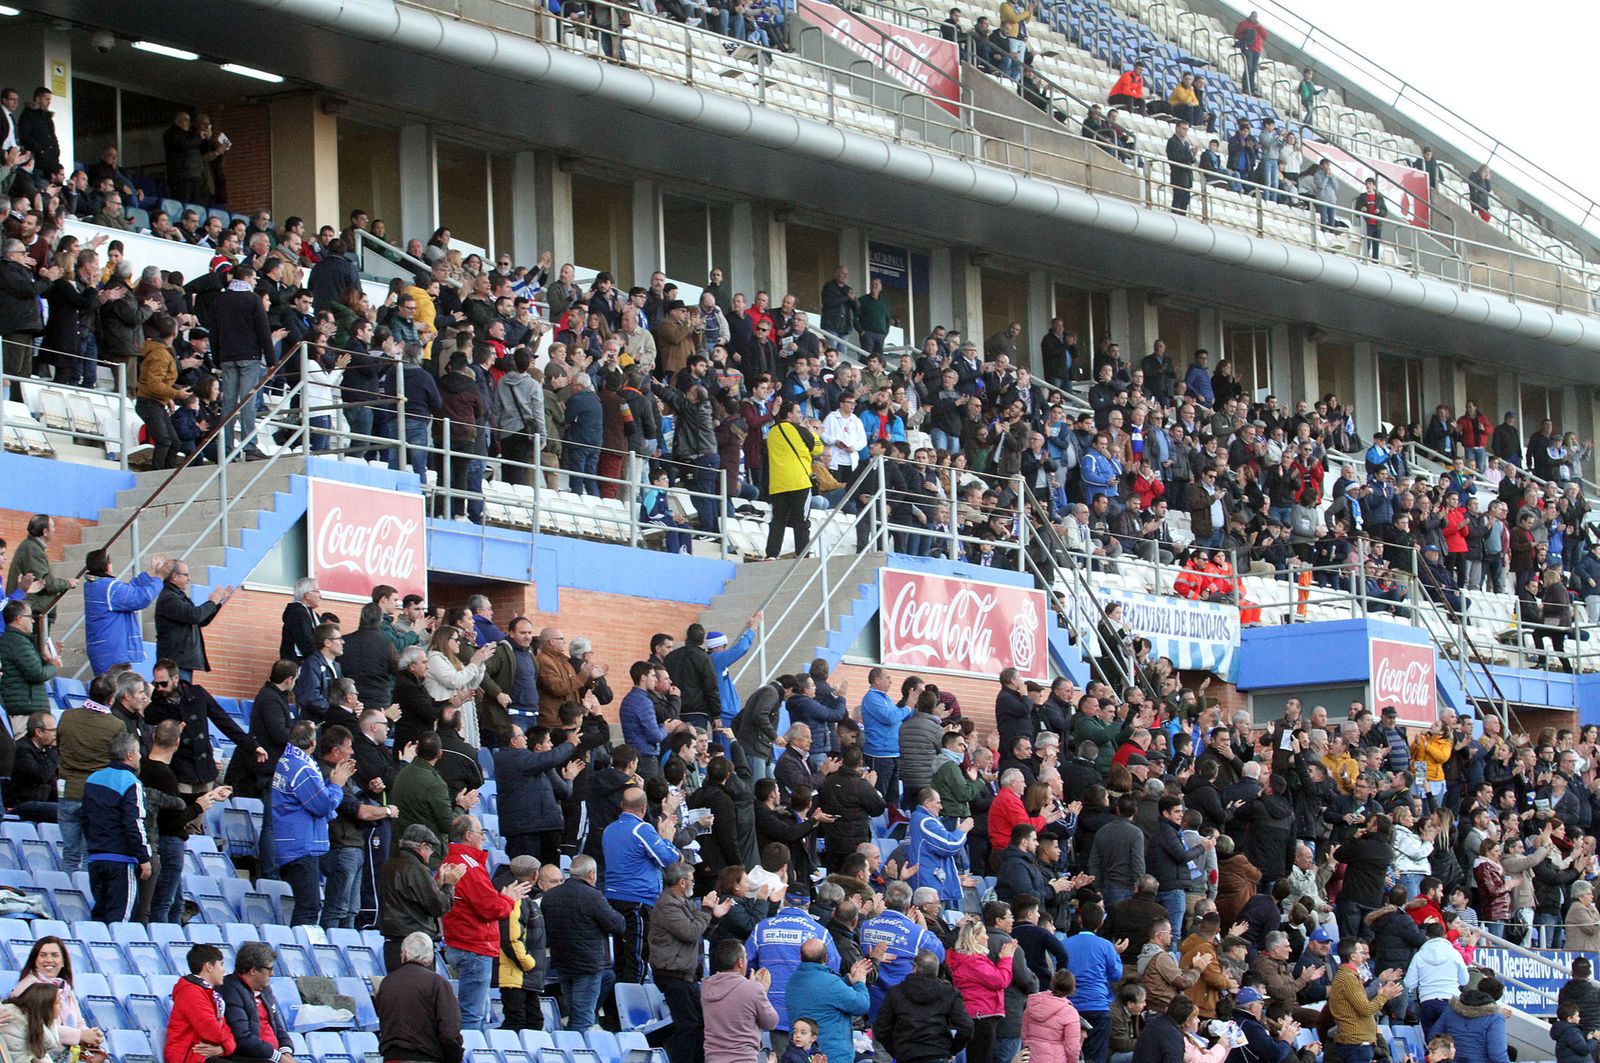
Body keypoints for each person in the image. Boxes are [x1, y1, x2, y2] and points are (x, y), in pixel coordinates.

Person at [440, 814, 528, 1033]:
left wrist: (501, 898)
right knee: (472, 1014)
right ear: (469, 835)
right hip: (473, 945)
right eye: (481, 833)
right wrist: (508, 899)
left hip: (462, 942)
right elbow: (489, 909)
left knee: (474, 1012)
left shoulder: (453, 861)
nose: (483, 838)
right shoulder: (468, 866)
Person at [273, 720, 354, 926]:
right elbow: (321, 805)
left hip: (296, 842)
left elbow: (313, 795)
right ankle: (299, 950)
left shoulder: (290, 761)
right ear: (313, 742)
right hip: (301, 845)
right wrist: (336, 786)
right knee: (309, 906)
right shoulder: (301, 767)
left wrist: (330, 782)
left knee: (308, 905)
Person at [651, 860, 730, 1063]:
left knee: (700, 1023)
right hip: (673, 974)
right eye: (692, 880)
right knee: (688, 1026)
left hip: (685, 974)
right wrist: (706, 909)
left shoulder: (682, 903)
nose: (695, 884)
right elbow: (690, 932)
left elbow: (700, 931)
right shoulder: (668, 905)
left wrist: (714, 916)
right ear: (682, 882)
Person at [603, 785, 684, 983]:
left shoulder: (609, 829)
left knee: (620, 956)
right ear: (644, 808)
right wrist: (667, 840)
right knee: (637, 956)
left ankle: (616, 1007)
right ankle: (633, 1003)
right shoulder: (642, 829)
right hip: (637, 901)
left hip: (613, 898)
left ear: (622, 805)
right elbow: (671, 860)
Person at [541, 854, 625, 1032]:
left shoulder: (550, 896)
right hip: (587, 964)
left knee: (576, 1012)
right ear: (592, 873)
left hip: (562, 962)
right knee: (583, 1017)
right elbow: (617, 925)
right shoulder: (592, 896)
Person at [82, 732, 152, 922]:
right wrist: (144, 858)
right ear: (129, 755)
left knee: (100, 915)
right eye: (138, 752)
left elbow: (85, 818)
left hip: (96, 858)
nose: (140, 756)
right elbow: (134, 823)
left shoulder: (93, 779)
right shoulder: (131, 783)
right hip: (121, 861)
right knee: (120, 920)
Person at [378, 824, 464, 973]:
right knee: (419, 990)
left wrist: (438, 884)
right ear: (423, 847)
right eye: (431, 849)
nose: (431, 855)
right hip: (414, 943)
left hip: (393, 942)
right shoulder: (415, 869)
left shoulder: (389, 865)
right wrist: (449, 885)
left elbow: (414, 898)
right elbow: (439, 906)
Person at [376, 933, 464, 1063]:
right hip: (427, 1056)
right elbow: (449, 1032)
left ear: (404, 954)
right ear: (430, 957)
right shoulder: (438, 983)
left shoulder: (386, 983)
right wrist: (455, 1057)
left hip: (392, 1056)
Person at [878, 948, 975, 1063]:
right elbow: (967, 1027)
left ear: (914, 968)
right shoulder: (949, 992)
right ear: (936, 970)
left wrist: (896, 1050)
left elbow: (881, 1027)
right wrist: (952, 1049)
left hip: (906, 1053)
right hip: (937, 1053)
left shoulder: (896, 992)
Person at [82, 550, 171, 675]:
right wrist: (159, 578)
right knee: (120, 691)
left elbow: (128, 591)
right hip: (114, 654)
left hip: (106, 652)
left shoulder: (96, 585)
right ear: (107, 565)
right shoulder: (107, 587)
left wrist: (150, 573)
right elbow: (141, 598)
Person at [9, 937, 104, 1053]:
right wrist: (80, 1035)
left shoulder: (66, 989)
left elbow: (79, 1022)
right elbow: (38, 1027)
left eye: (54, 955)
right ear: (34, 960)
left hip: (67, 1051)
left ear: (63, 961)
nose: (49, 960)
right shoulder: (28, 988)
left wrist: (91, 1036)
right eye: (43, 955)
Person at [786, 938, 872, 1063]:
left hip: (801, 1055)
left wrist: (847, 981)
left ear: (800, 957)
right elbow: (862, 1005)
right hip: (830, 1056)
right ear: (826, 958)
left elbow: (821, 995)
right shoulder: (831, 983)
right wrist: (859, 983)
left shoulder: (793, 980)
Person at [949, 917, 1017, 1063]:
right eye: (984, 933)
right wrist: (1006, 959)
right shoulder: (974, 961)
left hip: (972, 1013)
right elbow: (1000, 981)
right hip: (982, 1015)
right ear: (974, 937)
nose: (987, 937)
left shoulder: (960, 958)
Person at [703, 938, 780, 1063]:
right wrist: (761, 991)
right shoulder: (753, 989)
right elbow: (771, 1022)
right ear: (740, 962)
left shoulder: (706, 986)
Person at [154, 559, 234, 680]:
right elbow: (194, 615)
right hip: (175, 663)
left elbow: (200, 621)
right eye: (186, 575)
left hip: (181, 662)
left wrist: (218, 604)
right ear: (175, 576)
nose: (189, 579)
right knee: (177, 696)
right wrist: (212, 601)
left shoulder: (177, 596)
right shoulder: (169, 598)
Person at [216, 942, 292, 1063]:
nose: (272, 973)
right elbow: (242, 1037)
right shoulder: (230, 990)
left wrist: (287, 1053)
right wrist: (279, 1058)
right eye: (269, 969)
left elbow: (278, 1027)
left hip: (272, 1057)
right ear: (253, 970)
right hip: (246, 1057)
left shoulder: (265, 989)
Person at [765, 400, 822, 558]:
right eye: (798, 412)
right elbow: (818, 448)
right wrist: (813, 433)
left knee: (777, 521)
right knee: (801, 521)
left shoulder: (772, 432)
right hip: (799, 481)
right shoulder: (799, 430)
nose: (801, 415)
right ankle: (802, 555)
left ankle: (771, 554)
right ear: (789, 414)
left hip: (777, 484)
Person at [166, 944, 235, 1063]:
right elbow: (212, 1031)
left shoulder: (207, 993)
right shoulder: (190, 992)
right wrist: (226, 1047)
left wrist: (223, 1049)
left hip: (205, 1057)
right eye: (221, 964)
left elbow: (224, 1028)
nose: (224, 970)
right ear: (209, 967)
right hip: (189, 1058)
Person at [1432, 977, 1510, 1063]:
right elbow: (1497, 1055)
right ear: (1498, 998)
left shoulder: (1451, 1009)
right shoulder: (1494, 1017)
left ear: (1477, 988)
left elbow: (1433, 1036)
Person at [1023, 969, 1084, 1063]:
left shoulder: (1033, 1004)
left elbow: (1024, 1034)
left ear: (1052, 983)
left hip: (1032, 1057)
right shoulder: (1070, 1012)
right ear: (1071, 988)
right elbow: (1072, 1048)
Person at [0, 982, 67, 1063]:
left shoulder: (38, 1023)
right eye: (57, 1003)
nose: (61, 1006)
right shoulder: (13, 1022)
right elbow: (17, 1058)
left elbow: (39, 1055)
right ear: (44, 1005)